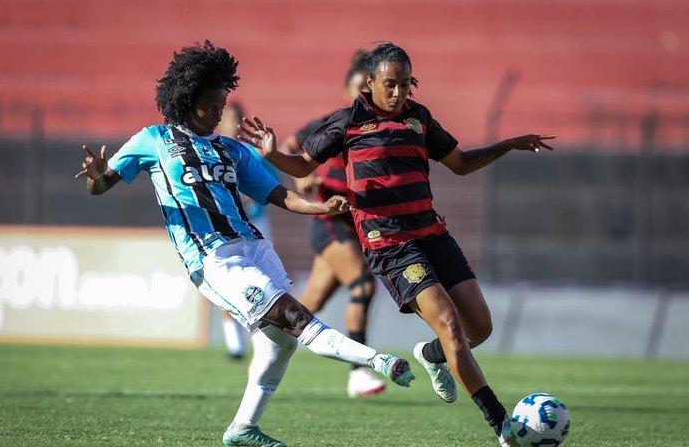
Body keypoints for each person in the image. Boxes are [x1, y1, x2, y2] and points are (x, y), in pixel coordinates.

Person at [74, 40, 415, 447]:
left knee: (281, 344)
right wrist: (96, 174)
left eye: (223, 104)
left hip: (254, 248)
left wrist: (320, 206)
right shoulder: (153, 140)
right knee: (294, 317)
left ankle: (242, 430)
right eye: (212, 106)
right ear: (188, 101)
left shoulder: (232, 149)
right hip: (213, 259)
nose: (220, 113)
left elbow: (278, 195)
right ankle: (378, 362)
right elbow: (101, 186)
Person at [240, 42, 555, 447]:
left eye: (406, 84)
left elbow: (460, 164)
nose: (399, 93)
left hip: (433, 233)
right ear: (370, 82)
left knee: (482, 326)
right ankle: (502, 425)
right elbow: (302, 165)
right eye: (390, 84)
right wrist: (272, 154)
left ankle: (433, 356)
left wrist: (506, 144)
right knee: (449, 324)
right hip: (389, 244)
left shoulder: (418, 118)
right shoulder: (347, 121)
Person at [278, 50, 386, 398]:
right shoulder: (331, 122)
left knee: (308, 305)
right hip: (329, 220)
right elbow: (289, 147)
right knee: (363, 285)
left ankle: (266, 344)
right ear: (346, 91)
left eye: (366, 91)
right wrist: (302, 180)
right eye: (356, 90)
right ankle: (359, 372)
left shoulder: (385, 129)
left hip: (358, 225)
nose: (361, 97)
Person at [216, 101, 278, 361]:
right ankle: (235, 346)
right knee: (227, 285)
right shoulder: (210, 152)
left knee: (264, 282)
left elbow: (272, 186)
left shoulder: (251, 153)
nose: (234, 122)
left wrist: (253, 196)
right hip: (224, 228)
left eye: (238, 117)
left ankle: (262, 342)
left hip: (256, 226)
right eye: (229, 117)